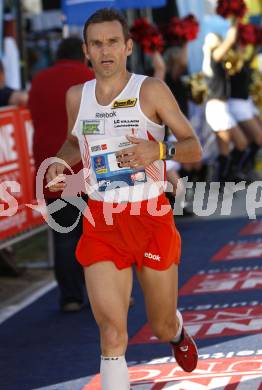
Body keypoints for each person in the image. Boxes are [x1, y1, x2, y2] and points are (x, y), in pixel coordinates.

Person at [46, 8, 202, 389]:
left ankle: (178, 331)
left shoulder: (150, 90)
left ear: (128, 46)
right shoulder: (76, 97)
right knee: (112, 333)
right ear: (86, 50)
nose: (105, 51)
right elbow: (73, 142)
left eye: (113, 41)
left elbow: (193, 148)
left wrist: (159, 153)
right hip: (102, 221)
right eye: (96, 43)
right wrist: (58, 164)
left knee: (161, 324)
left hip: (150, 217)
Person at [29, 37, 94, 312]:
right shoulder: (90, 77)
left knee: (63, 234)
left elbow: (35, 116)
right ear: (83, 53)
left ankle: (70, 296)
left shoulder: (39, 80)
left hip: (51, 165)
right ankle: (100, 292)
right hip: (86, 165)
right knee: (94, 233)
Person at [203, 27, 249, 183]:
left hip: (221, 108)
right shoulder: (213, 58)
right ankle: (222, 181)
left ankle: (225, 181)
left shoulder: (217, 62)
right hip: (217, 109)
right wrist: (236, 23)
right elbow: (230, 41)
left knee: (229, 148)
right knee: (237, 144)